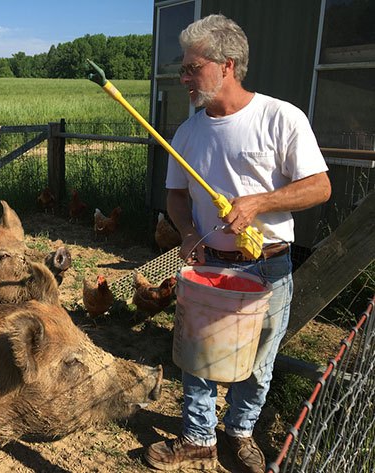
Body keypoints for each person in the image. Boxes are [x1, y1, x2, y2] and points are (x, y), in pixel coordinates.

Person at [144, 14, 331, 473]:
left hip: (267, 266)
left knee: (259, 360)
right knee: (198, 353)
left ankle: (240, 433)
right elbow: (175, 195)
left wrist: (259, 203)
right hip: (209, 264)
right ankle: (198, 437)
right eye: (183, 69)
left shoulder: (280, 117)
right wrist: (188, 232)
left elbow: (319, 186)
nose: (183, 77)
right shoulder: (188, 132)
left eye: (192, 67)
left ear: (228, 64)